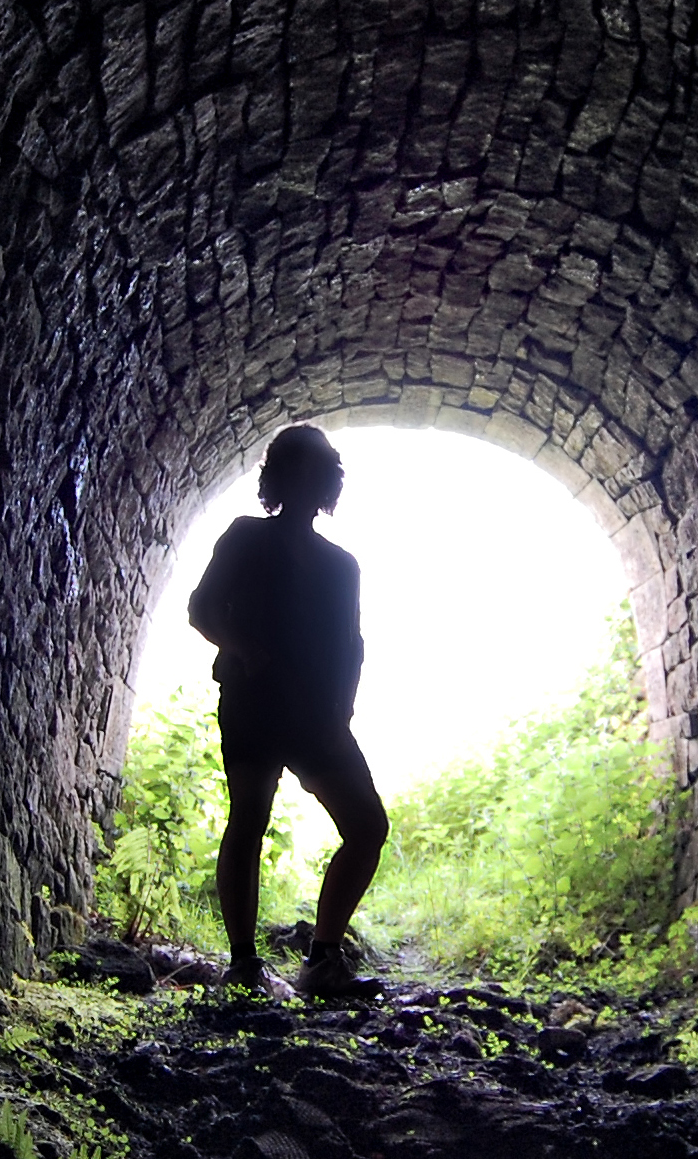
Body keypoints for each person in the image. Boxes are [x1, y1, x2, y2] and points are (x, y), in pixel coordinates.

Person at [187, 425, 389, 997]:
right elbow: (201, 608)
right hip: (254, 702)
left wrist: (343, 708)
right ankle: (244, 964)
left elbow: (352, 644)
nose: (307, 480)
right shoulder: (245, 537)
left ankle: (321, 959)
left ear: (326, 482)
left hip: (316, 715)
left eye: (315, 470)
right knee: (249, 820)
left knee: (367, 826)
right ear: (278, 477)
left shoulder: (342, 565)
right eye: (297, 468)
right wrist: (244, 650)